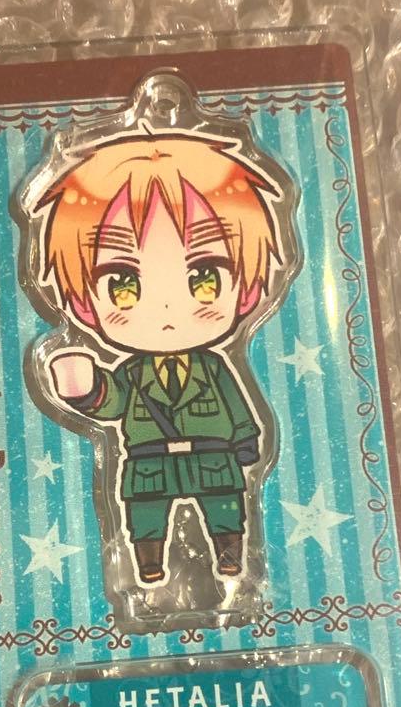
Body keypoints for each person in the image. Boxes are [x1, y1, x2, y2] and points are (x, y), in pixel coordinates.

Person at [33, 127, 288, 584]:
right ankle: (148, 563)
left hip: (212, 458)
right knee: (146, 513)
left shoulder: (214, 367)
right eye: (122, 284)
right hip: (149, 462)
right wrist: (86, 388)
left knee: (225, 507)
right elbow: (113, 403)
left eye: (206, 277)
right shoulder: (132, 371)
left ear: (247, 292)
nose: (168, 309)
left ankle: (230, 555)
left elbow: (236, 405)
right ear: (86, 304)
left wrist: (246, 439)